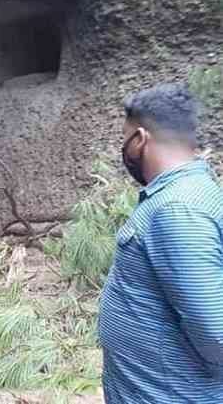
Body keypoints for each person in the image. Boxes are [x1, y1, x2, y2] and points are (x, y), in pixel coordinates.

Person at [99, 83, 223, 403]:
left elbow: (215, 334)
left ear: (140, 139)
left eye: (125, 140)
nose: (124, 150)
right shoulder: (191, 193)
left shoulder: (177, 209)